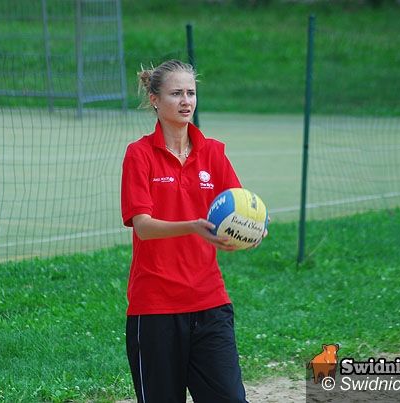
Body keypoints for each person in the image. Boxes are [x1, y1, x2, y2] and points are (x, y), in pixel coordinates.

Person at [120, 59, 251, 402]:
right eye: (176, 93)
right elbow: (143, 227)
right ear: (154, 99)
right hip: (155, 307)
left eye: (191, 93)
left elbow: (239, 208)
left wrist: (251, 231)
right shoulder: (139, 155)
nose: (186, 101)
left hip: (210, 302)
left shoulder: (214, 153)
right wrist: (193, 226)